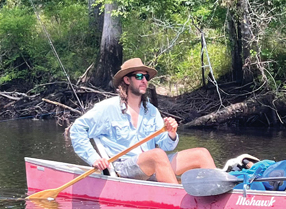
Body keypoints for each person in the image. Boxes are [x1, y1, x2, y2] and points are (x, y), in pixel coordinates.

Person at [69, 57, 216, 184]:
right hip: (123, 167)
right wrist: (94, 158)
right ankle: (178, 199)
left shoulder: (151, 111)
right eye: (139, 76)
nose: (144, 80)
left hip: (153, 164)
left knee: (201, 153)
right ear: (127, 80)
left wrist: (171, 133)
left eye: (146, 77)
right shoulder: (108, 108)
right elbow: (77, 129)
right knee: (157, 155)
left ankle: (219, 196)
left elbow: (166, 145)